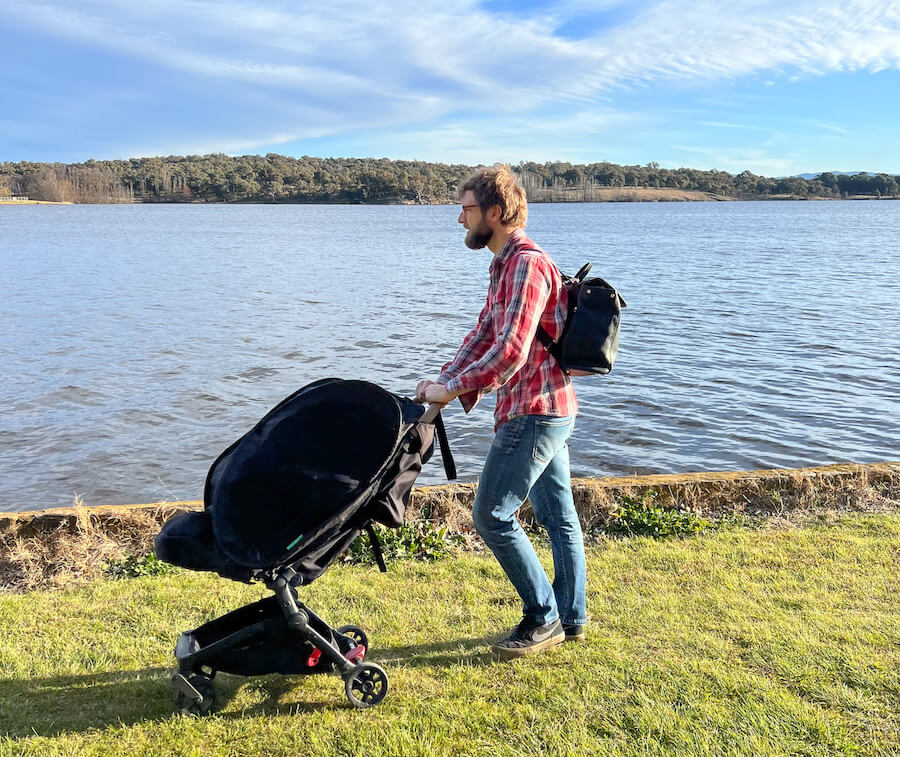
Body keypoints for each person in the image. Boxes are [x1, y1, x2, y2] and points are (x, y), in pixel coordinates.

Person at [416, 165, 587, 660]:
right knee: (559, 518)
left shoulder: (526, 265)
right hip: (545, 408)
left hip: (535, 411)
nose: (459, 220)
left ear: (495, 212)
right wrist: (444, 378)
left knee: (492, 515)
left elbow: (510, 350)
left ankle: (545, 615)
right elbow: (483, 336)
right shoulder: (504, 265)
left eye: (466, 209)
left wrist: (452, 389)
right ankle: (571, 617)